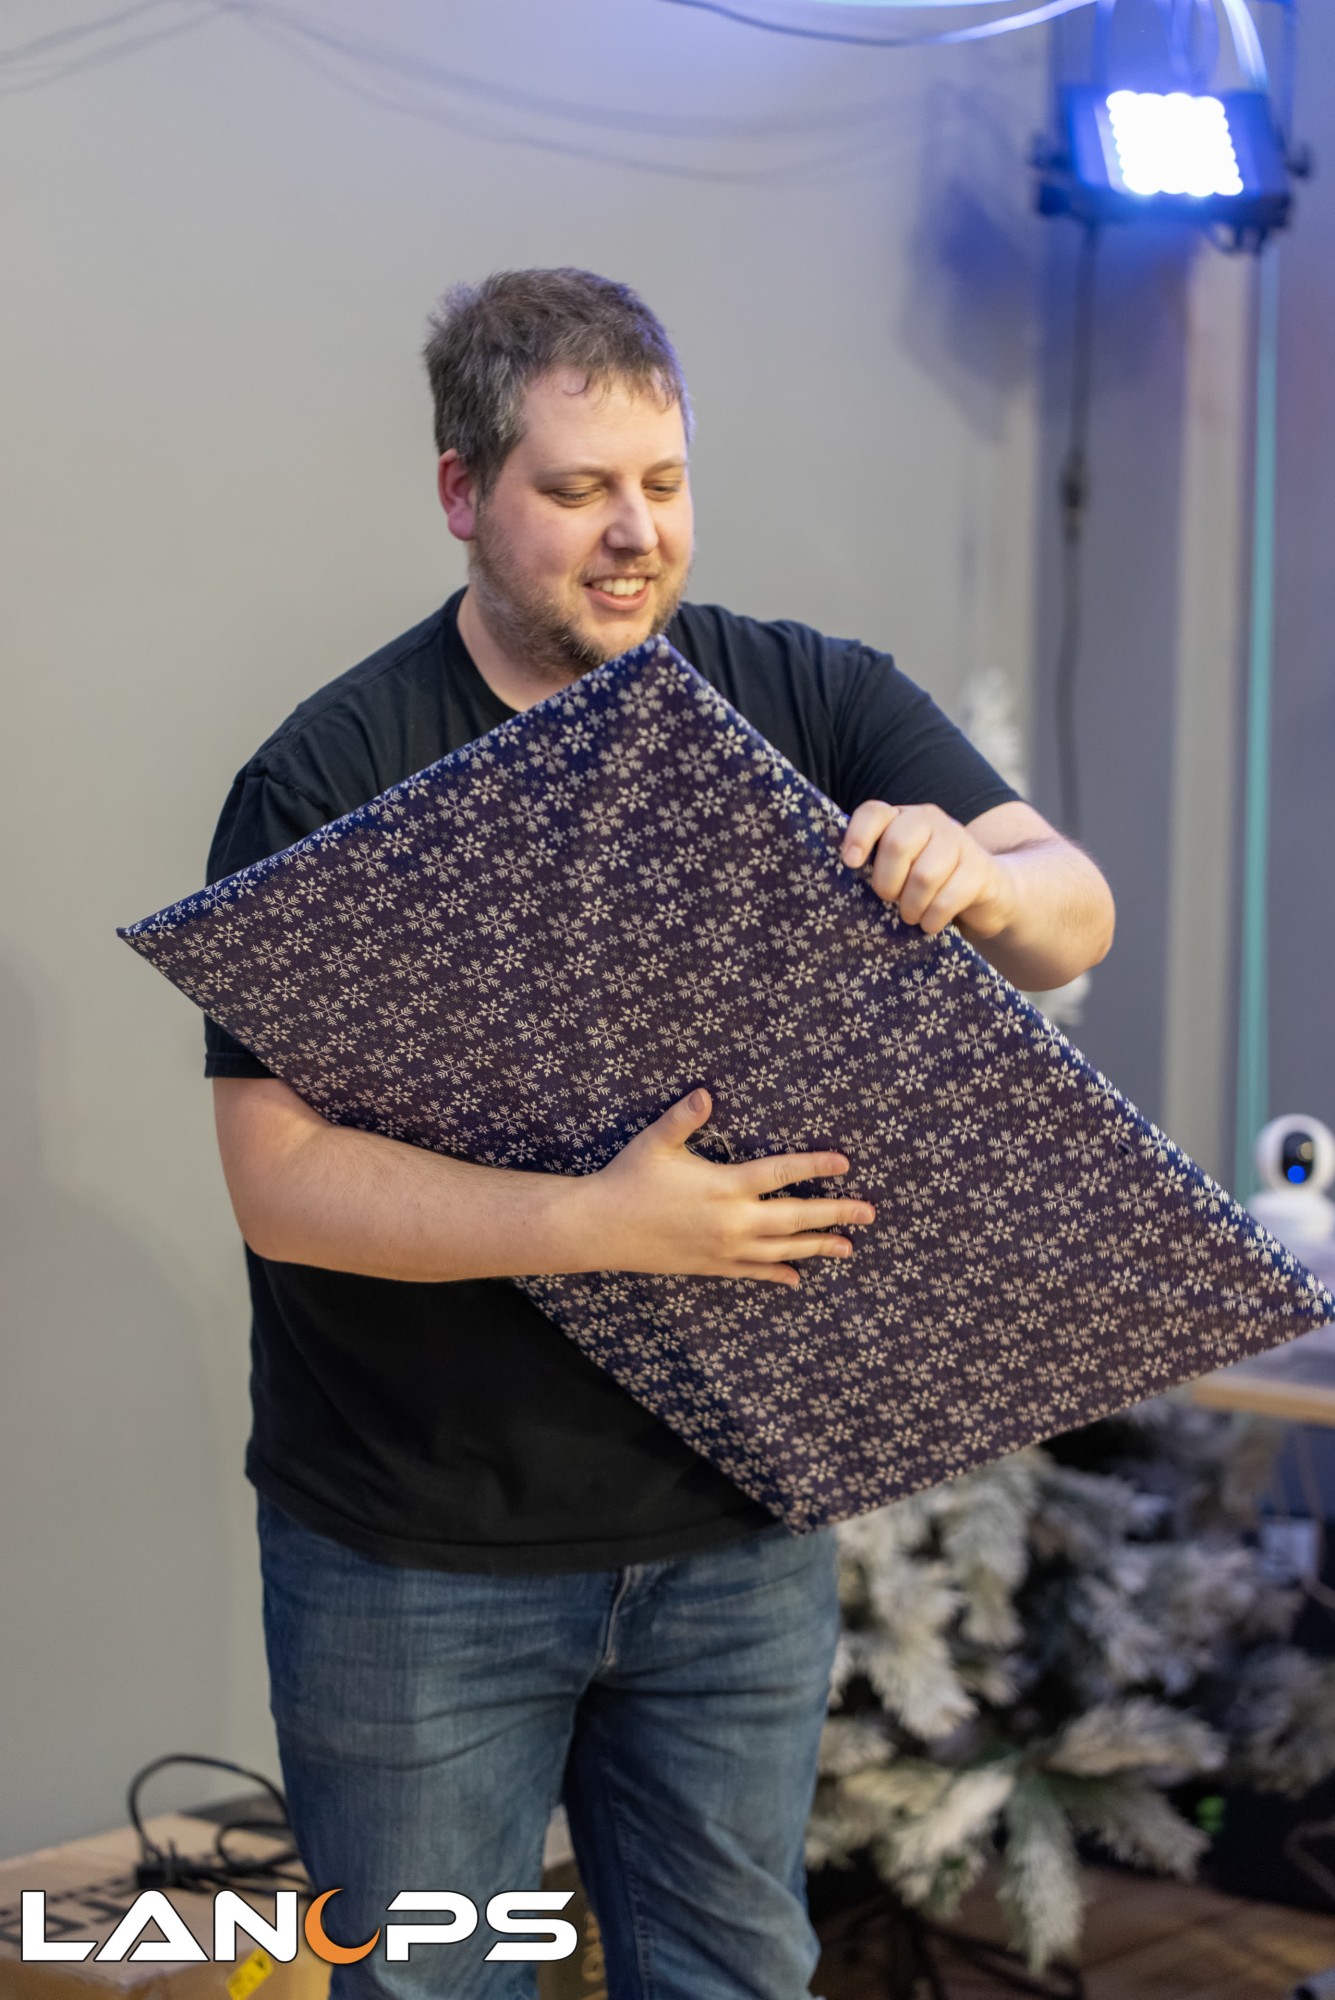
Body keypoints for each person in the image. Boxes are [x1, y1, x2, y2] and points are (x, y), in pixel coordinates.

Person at [206, 268, 1115, 2000]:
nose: (636, 535)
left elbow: (1075, 914)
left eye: (665, 483)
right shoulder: (334, 776)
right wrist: (601, 1222)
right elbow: (283, 1182)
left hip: (737, 1530)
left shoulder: (804, 695)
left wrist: (983, 873)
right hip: (418, 1551)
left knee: (733, 1974)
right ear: (463, 492)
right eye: (577, 491)